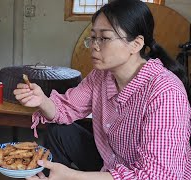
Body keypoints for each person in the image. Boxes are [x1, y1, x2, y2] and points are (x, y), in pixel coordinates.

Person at [14, 0, 191, 179]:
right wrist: (42, 100)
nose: (94, 45)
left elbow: (158, 175)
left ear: (136, 44)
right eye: (93, 37)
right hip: (111, 161)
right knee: (59, 131)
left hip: (144, 175)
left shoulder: (166, 92)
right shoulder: (101, 76)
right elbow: (67, 108)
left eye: (104, 38)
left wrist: (73, 177)